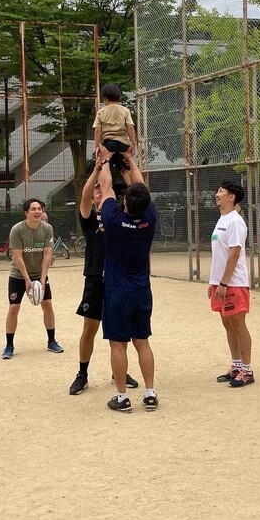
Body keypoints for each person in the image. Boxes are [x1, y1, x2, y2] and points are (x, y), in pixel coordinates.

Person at [68, 162, 138, 395]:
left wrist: (126, 170)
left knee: (119, 330)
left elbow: (138, 197)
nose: (98, 191)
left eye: (101, 189)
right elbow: (85, 195)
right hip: (95, 278)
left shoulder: (118, 217)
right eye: (96, 190)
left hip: (118, 279)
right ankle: (82, 374)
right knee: (90, 327)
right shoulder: (90, 219)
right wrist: (98, 169)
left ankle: (118, 372)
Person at [98, 146, 158, 413]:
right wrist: (131, 162)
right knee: (142, 341)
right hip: (141, 290)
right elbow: (141, 188)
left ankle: (122, 397)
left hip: (117, 291)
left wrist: (105, 162)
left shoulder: (112, 219)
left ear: (124, 202)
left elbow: (106, 187)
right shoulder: (150, 218)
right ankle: (149, 393)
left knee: (118, 344)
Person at [2, 198, 63, 358]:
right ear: (26, 212)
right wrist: (27, 281)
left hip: (39, 273)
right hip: (19, 274)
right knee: (13, 308)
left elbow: (47, 254)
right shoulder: (17, 230)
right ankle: (9, 345)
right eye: (34, 209)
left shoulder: (47, 228)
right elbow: (18, 257)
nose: (37, 212)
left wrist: (43, 279)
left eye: (40, 209)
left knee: (48, 304)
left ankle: (51, 341)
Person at [209, 181, 254, 388]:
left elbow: (234, 254)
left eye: (221, 191)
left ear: (231, 197)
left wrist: (224, 283)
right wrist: (214, 282)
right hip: (220, 283)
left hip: (233, 283)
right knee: (227, 324)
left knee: (238, 324)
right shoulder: (222, 219)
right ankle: (236, 366)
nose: (217, 194)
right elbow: (220, 255)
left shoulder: (235, 221)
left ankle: (247, 370)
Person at [93, 83, 136, 172]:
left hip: (108, 144)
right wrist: (133, 143)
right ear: (119, 97)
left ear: (104, 98)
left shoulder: (101, 112)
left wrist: (97, 146)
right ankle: (132, 185)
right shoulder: (125, 110)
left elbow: (97, 130)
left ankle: (103, 184)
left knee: (105, 167)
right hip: (123, 144)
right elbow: (130, 127)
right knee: (125, 170)